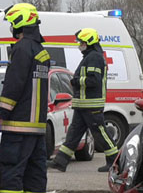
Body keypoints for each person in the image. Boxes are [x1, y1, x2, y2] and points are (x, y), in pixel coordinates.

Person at [0, 3, 50, 193]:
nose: (11, 27)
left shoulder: (22, 49)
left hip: (19, 123)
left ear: (20, 22)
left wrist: (0, 114)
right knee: (34, 168)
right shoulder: (41, 51)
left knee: (11, 164)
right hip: (38, 125)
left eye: (12, 22)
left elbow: (14, 85)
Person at [47, 28, 119, 173]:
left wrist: (75, 81)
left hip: (91, 105)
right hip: (82, 105)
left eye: (81, 42)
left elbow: (94, 80)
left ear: (89, 42)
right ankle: (60, 161)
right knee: (73, 134)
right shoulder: (90, 56)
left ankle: (115, 161)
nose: (79, 44)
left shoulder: (94, 57)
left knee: (100, 133)